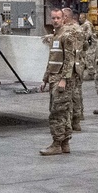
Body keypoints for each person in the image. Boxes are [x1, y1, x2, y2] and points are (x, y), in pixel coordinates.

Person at [39, 8, 79, 155]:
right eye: (53, 18)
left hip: (62, 80)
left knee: (57, 112)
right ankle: (65, 143)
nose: (55, 21)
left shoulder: (66, 35)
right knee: (63, 112)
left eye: (58, 18)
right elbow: (52, 60)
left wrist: (64, 79)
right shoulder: (56, 36)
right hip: (53, 77)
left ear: (64, 19)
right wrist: (45, 79)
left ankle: (57, 143)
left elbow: (70, 59)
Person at [62, 8, 87, 131]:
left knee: (70, 94)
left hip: (71, 66)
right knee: (77, 93)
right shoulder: (80, 29)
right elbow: (86, 46)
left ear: (66, 17)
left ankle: (71, 120)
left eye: (62, 16)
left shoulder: (68, 30)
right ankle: (77, 119)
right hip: (79, 64)